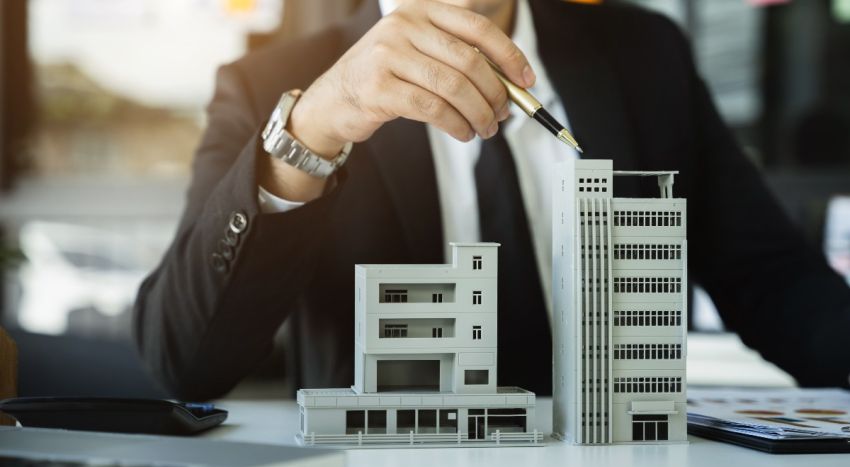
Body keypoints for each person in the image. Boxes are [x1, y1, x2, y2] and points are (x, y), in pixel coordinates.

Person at [133, 0, 850, 401]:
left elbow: (775, 281)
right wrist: (312, 133)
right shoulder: (275, 85)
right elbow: (184, 361)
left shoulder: (644, 53)